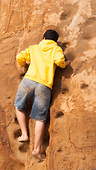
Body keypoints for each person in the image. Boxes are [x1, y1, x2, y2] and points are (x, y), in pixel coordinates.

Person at [15, 29, 69, 161]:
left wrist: (25, 63)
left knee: (19, 106)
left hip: (29, 80)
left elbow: (19, 57)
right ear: (55, 41)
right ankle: (37, 149)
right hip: (44, 85)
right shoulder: (56, 49)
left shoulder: (34, 48)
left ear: (44, 37)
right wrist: (64, 64)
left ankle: (24, 134)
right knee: (40, 118)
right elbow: (59, 62)